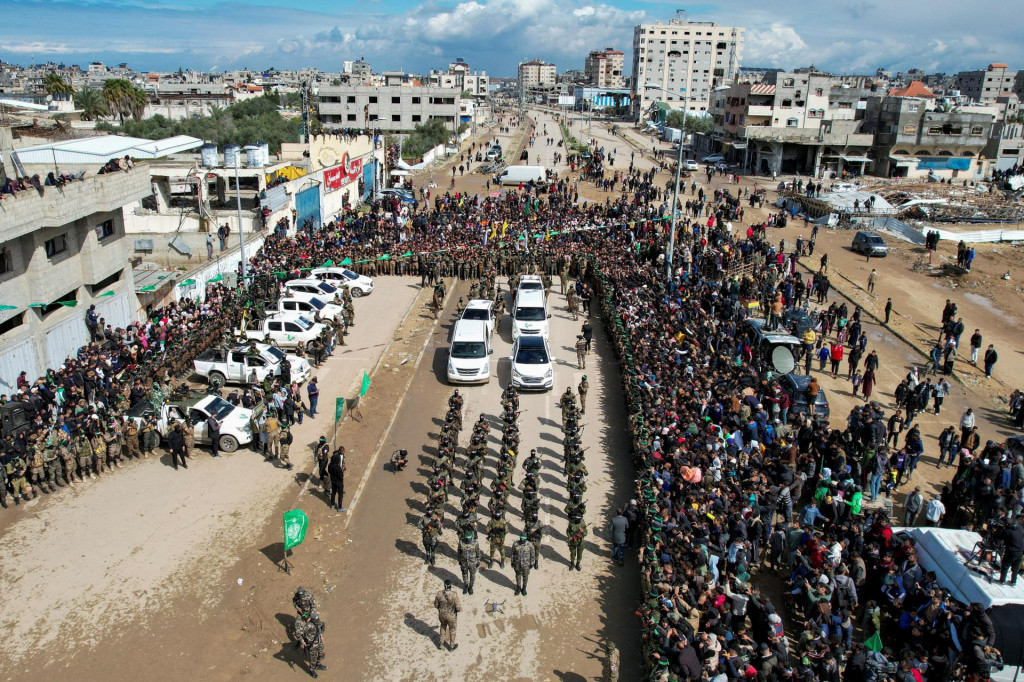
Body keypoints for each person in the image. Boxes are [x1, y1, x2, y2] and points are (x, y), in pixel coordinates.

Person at [293, 610, 327, 678]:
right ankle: (311, 670)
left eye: (317, 618)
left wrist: (321, 636)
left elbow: (319, 630)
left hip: (319, 642)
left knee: (322, 655)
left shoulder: (318, 622)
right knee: (313, 659)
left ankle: (318, 665)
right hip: (312, 645)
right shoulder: (308, 626)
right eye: (316, 619)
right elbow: (298, 633)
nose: (317, 620)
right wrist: (302, 641)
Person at [434, 579, 461, 651]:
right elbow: (458, 607)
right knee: (452, 630)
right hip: (451, 616)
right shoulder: (454, 595)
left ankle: (441, 643)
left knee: (443, 626)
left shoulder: (439, 594)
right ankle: (451, 647)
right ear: (450, 586)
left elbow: (436, 605)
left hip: (442, 615)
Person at [457, 530, 480, 594]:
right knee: (464, 574)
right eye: (467, 539)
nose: (468, 540)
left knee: (472, 575)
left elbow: (478, 552)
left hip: (472, 563)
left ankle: (471, 587)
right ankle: (466, 586)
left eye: (469, 539)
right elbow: (459, 552)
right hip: (464, 562)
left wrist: (478, 561)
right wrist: (459, 560)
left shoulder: (475, 543)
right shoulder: (461, 542)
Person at [328, 447, 346, 511]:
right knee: (340, 494)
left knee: (333, 493)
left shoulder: (330, 465)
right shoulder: (338, 468)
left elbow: (329, 472)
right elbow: (341, 476)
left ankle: (332, 504)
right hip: (339, 482)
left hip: (333, 481)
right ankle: (340, 507)